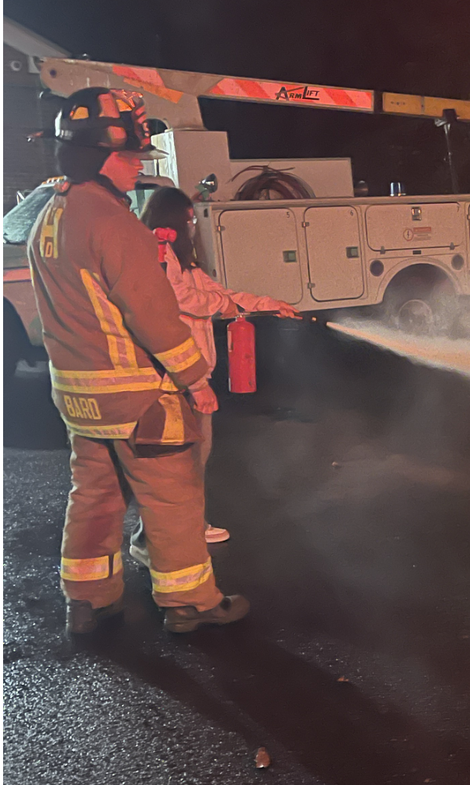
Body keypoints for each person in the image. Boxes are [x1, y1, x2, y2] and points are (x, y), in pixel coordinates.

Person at [28, 86, 249, 634]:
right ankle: (191, 603)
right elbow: (153, 315)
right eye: (130, 157)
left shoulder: (48, 218)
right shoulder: (113, 222)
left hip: (77, 396)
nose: (136, 169)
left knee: (95, 497)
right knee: (172, 496)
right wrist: (196, 380)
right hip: (137, 394)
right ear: (102, 155)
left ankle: (88, 600)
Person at [138, 187, 300, 543]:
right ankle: (183, 530)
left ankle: (159, 531)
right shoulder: (159, 255)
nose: (194, 226)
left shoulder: (184, 263)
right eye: (190, 219)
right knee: (184, 460)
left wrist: (266, 304)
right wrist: (222, 307)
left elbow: (220, 295)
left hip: (193, 373)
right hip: (176, 377)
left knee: (195, 455)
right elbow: (182, 299)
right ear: (174, 221)